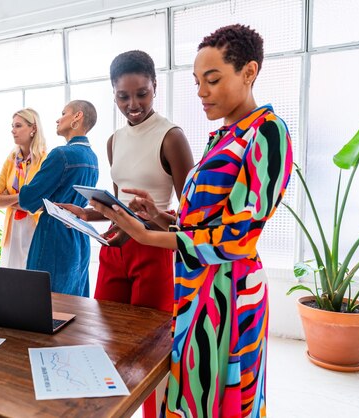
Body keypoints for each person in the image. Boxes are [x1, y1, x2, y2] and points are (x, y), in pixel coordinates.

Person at [92, 25, 293, 418]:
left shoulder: (267, 133)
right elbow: (198, 224)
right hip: (195, 289)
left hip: (229, 295)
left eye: (212, 80)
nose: (201, 92)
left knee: (220, 397)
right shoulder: (220, 137)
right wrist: (160, 217)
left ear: (249, 72)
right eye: (197, 81)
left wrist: (146, 236)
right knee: (190, 395)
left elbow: (236, 240)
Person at [62, 49, 194, 418]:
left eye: (142, 94)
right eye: (123, 96)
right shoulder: (113, 141)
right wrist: (88, 212)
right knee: (107, 343)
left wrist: (152, 219)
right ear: (113, 94)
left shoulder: (171, 137)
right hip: (115, 250)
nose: (133, 104)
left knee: (151, 351)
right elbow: (119, 206)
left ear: (155, 88)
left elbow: (193, 217)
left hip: (153, 252)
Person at [19, 100, 99, 297]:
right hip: (79, 234)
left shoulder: (61, 155)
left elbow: (28, 199)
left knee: (42, 300)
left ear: (77, 117)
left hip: (53, 233)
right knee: (75, 301)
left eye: (64, 113)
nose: (58, 118)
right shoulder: (92, 157)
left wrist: (25, 187)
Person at [0, 108, 47, 269]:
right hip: (12, 230)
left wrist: (8, 199)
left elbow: (42, 203)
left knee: (31, 281)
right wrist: (23, 198)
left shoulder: (45, 160)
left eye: (18, 126)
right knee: (10, 283)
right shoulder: (11, 159)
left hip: (34, 228)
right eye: (12, 126)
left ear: (33, 128)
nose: (13, 131)